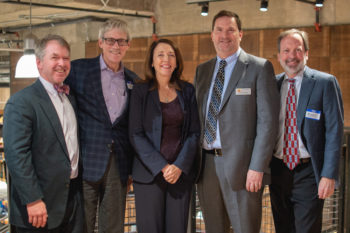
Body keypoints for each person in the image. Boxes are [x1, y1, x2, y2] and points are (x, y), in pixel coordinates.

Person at [194, 10, 280, 233]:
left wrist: (257, 167)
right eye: (219, 30)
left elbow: (268, 123)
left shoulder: (259, 68)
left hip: (244, 168)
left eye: (230, 30)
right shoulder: (202, 71)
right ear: (212, 35)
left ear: (240, 34)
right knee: (214, 228)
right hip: (206, 166)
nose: (225, 35)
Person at [3, 34, 84, 233]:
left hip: (71, 200)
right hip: (38, 206)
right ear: (39, 63)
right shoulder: (21, 102)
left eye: (66, 58)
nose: (61, 63)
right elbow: (16, 154)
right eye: (54, 57)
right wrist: (32, 199)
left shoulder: (69, 97)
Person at [65, 18, 139, 233]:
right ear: (100, 42)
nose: (116, 46)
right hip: (86, 162)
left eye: (121, 41)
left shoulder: (133, 80)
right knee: (82, 224)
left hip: (119, 164)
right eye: (110, 40)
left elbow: (131, 126)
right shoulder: (78, 70)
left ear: (128, 45)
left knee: (113, 226)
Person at [269, 28, 344, 233]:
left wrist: (328, 175)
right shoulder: (271, 84)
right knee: (283, 228)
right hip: (277, 171)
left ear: (307, 53)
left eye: (297, 50)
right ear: (279, 55)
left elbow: (334, 131)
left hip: (309, 172)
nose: (292, 56)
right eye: (286, 50)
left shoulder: (324, 83)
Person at [129, 38, 200, 233]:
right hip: (149, 175)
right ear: (152, 62)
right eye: (160, 55)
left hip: (180, 176)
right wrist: (162, 166)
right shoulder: (140, 91)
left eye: (171, 55)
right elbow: (135, 134)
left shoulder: (187, 91)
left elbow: (194, 133)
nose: (166, 59)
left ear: (176, 62)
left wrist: (178, 166)